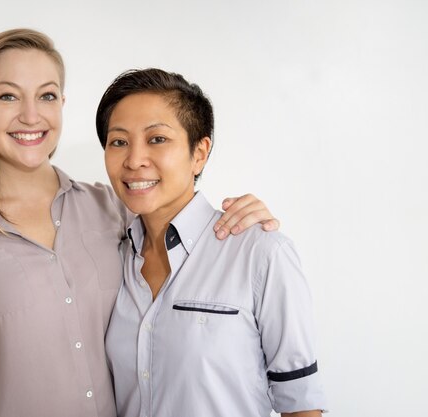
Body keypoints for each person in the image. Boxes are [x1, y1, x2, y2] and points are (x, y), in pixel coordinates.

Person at [0, 29, 279, 417]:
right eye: (8, 96)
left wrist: (242, 217)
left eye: (46, 96)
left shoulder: (115, 209)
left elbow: (182, 218)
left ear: (61, 103)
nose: (31, 115)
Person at [99, 68, 327, 417]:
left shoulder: (260, 253)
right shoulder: (110, 254)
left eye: (157, 139)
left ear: (200, 153)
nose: (134, 160)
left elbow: (301, 406)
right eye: (119, 141)